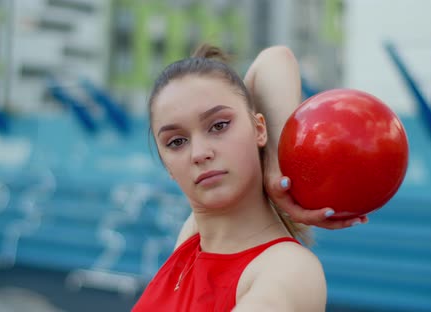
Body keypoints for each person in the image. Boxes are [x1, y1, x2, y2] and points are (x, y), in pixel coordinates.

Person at [132, 45, 368, 311]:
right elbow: (272, 64)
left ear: (259, 128)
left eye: (219, 125)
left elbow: (277, 59)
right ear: (167, 166)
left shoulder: (288, 269)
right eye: (176, 141)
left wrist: (277, 169)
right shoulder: (192, 241)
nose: (199, 153)